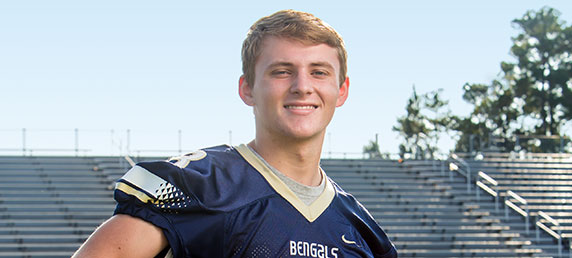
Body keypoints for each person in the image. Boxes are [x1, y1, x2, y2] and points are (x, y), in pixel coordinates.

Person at [73, 9, 397, 258]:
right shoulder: (197, 186)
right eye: (282, 72)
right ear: (248, 89)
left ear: (341, 91)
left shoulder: (362, 231)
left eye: (318, 72)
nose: (302, 87)